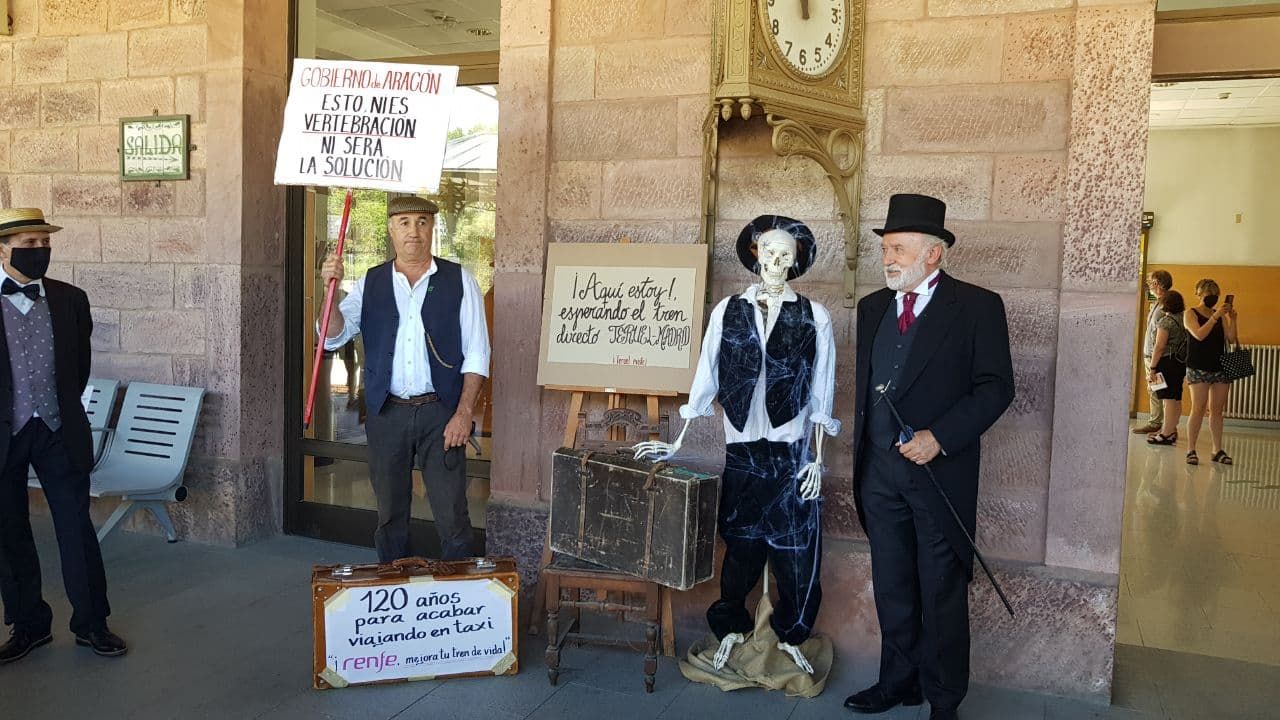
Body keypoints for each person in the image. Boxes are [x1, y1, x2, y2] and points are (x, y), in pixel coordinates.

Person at [635, 215, 838, 678]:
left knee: (795, 552)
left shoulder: (815, 315)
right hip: (743, 448)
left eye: (786, 254)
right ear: (755, 255)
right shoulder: (728, 310)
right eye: (769, 251)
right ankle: (732, 626)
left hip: (790, 454)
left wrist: (817, 461)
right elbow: (706, 374)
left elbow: (823, 389)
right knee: (741, 545)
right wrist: (677, 442)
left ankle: (791, 634)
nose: (776, 260)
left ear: (796, 261)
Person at [845, 194, 1015, 720]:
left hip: (938, 474)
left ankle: (944, 700)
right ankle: (898, 682)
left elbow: (996, 388)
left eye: (898, 248)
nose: (888, 258)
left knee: (941, 591)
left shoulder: (979, 307)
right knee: (893, 585)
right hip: (879, 474)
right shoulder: (873, 307)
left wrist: (940, 436)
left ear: (933, 254)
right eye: (885, 249)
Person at [319, 196, 490, 562]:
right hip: (387, 413)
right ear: (391, 229)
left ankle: (456, 604)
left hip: (441, 414)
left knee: (453, 516)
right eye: (405, 222)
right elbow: (333, 336)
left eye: (423, 221)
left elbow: (477, 354)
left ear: (433, 228)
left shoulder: (461, 280)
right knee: (390, 515)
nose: (414, 230)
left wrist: (463, 413)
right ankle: (395, 597)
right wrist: (328, 293)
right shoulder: (370, 282)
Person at [0, 208, 126, 664]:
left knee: (76, 527)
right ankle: (29, 624)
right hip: (6, 433)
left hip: (58, 429)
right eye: (29, 245)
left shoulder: (71, 299)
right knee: (10, 532)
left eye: (43, 243)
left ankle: (92, 623)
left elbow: (79, 368)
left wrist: (59, 409)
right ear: (3, 248)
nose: (39, 252)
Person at [1182, 279, 1238, 466]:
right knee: (1198, 408)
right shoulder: (1190, 313)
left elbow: (1230, 338)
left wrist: (1232, 319)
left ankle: (1217, 449)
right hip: (1198, 366)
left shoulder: (1219, 315)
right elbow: (1199, 335)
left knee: (1217, 410)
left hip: (1219, 365)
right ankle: (1191, 449)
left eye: (1215, 294)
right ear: (1199, 294)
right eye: (1208, 294)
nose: (1212, 298)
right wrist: (1215, 318)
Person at [1145, 290, 1188, 446]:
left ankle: (1165, 433)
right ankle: (1171, 430)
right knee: (1176, 397)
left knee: (1167, 399)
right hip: (1179, 363)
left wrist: (1153, 368)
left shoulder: (1165, 322)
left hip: (1165, 362)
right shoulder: (1184, 319)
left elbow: (1159, 346)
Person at [1134, 270, 1174, 435]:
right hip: (1150, 353)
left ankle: (1158, 423)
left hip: (1155, 355)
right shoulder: (1158, 301)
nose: (1150, 285)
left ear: (1158, 284)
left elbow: (1162, 334)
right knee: (1156, 389)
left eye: (1152, 282)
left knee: (1159, 390)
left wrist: (1154, 363)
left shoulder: (1166, 304)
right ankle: (1163, 423)